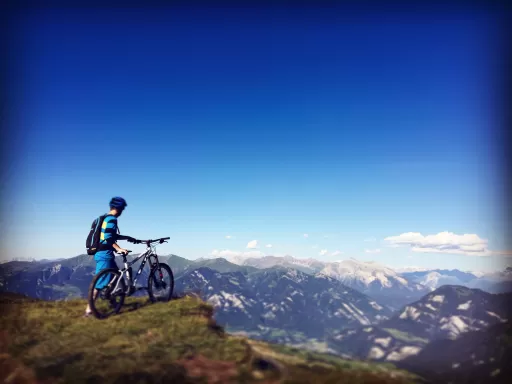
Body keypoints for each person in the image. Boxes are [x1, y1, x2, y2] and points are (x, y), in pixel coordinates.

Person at [84, 196, 134, 317]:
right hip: (105, 254)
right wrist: (119, 249)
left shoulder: (102, 218)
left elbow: (110, 235)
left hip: (100, 253)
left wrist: (127, 238)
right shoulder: (112, 219)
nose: (122, 212)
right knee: (100, 282)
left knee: (116, 276)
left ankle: (113, 301)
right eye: (122, 209)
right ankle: (89, 310)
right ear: (119, 208)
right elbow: (107, 237)